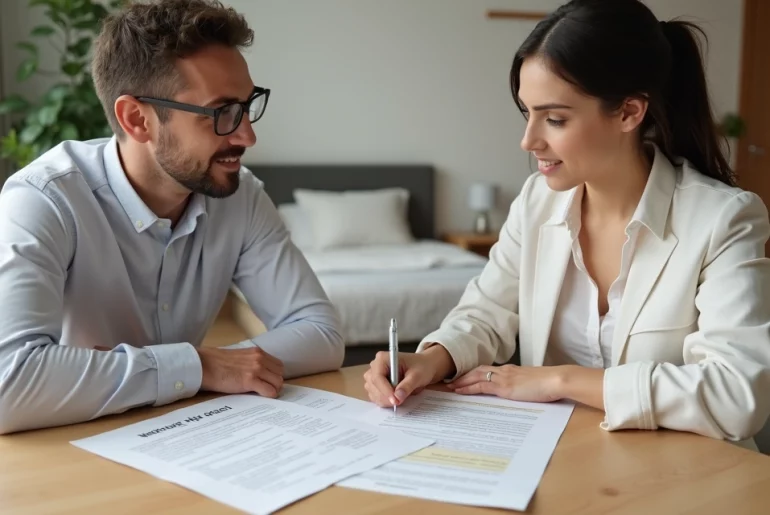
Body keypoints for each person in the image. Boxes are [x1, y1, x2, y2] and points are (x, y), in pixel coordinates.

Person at [364, 0, 770, 450]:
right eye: (527, 112)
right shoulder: (537, 201)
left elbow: (738, 395)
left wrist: (559, 380)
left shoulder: (724, 218)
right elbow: (486, 312)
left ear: (629, 112)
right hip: (565, 460)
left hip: (688, 476)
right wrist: (433, 359)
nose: (528, 140)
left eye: (554, 118)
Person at [0, 0, 344, 434]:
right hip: (70, 442)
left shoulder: (240, 196)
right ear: (137, 119)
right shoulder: (45, 200)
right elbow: (8, 385)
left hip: (190, 434)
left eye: (247, 105)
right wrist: (199, 366)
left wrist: (200, 369)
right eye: (221, 113)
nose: (248, 136)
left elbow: (321, 335)